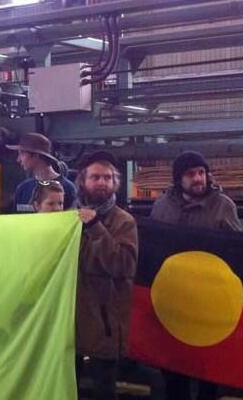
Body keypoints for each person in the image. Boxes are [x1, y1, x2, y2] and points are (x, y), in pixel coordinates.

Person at [150, 151, 241, 400]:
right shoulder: (162, 205)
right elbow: (153, 248)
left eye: (201, 172)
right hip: (173, 302)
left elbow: (236, 251)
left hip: (208, 305)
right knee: (172, 369)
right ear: (179, 178)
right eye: (191, 174)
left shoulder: (223, 206)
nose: (198, 178)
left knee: (206, 371)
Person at [74, 151, 138, 400]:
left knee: (104, 392)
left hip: (104, 328)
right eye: (96, 177)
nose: (102, 182)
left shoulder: (124, 222)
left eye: (108, 178)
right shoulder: (69, 218)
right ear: (83, 181)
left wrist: (95, 227)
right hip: (71, 326)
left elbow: (123, 265)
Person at [7, 133, 77, 212]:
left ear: (36, 155)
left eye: (22, 154)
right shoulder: (23, 189)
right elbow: (16, 221)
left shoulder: (67, 188)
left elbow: (71, 221)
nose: (18, 159)